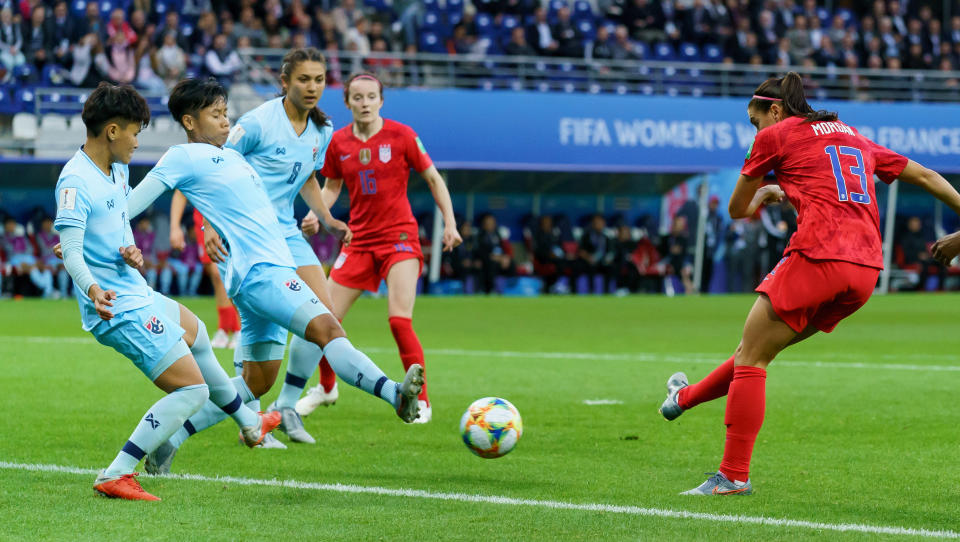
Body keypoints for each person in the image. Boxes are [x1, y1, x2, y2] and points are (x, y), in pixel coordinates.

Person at [658, 72, 960, 496]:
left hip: (818, 256)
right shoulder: (852, 135)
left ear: (775, 110)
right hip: (864, 272)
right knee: (755, 351)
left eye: (754, 120)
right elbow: (927, 176)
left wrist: (765, 193)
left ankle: (733, 476)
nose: (755, 130)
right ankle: (682, 399)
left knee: (752, 361)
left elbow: (737, 208)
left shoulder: (775, 136)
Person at [127, 78, 424, 472]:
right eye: (215, 115)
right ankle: (394, 395)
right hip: (262, 274)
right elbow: (132, 203)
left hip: (257, 275)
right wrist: (84, 236)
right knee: (328, 330)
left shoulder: (233, 156)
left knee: (256, 383)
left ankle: (171, 439)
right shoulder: (181, 157)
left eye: (225, 112)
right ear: (189, 121)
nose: (224, 120)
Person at [53, 82, 279, 501]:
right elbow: (69, 252)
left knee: (197, 333)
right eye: (136, 132)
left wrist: (131, 252)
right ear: (113, 131)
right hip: (115, 306)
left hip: (134, 289)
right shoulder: (75, 180)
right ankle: (117, 472)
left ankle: (249, 421)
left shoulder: (117, 169)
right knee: (191, 390)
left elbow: (111, 229)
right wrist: (93, 289)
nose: (140, 141)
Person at [297, 72, 462, 423]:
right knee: (324, 320)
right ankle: (327, 388)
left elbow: (434, 178)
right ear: (347, 103)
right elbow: (331, 187)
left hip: (400, 238)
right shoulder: (339, 143)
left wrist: (450, 222)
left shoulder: (402, 136)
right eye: (357, 97)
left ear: (381, 100)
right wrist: (317, 214)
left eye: (371, 96)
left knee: (399, 320)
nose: (365, 103)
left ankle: (422, 402)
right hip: (358, 242)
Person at [223, 47, 348, 445]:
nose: (312, 87)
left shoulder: (322, 130)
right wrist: (212, 224)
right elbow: (217, 169)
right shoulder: (257, 122)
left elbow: (307, 177)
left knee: (324, 314)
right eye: (303, 79)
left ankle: (286, 406)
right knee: (264, 327)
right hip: (251, 235)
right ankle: (247, 412)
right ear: (284, 82)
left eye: (319, 80)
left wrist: (326, 218)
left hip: (288, 234)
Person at [169, 199, 240, 348]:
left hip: (225, 213)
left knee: (228, 273)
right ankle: (224, 329)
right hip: (201, 217)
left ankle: (239, 329)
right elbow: (180, 191)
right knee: (215, 275)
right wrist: (175, 226)